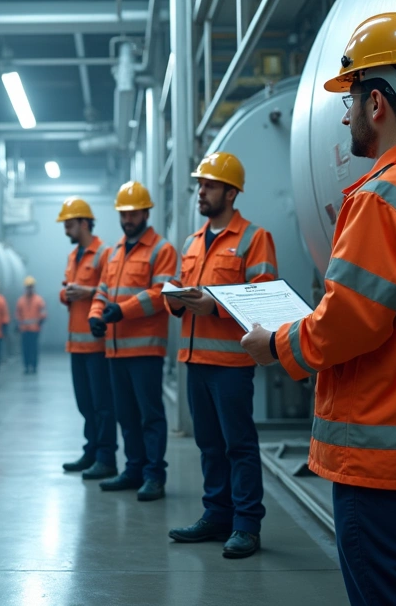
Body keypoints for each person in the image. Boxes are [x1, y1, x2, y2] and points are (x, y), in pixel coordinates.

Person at [240, 12, 396, 606]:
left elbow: (349, 322)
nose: (345, 116)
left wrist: (275, 345)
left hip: (381, 455)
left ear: (376, 103)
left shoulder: (383, 200)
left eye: (350, 100)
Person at [165, 152, 277, 559]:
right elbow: (185, 292)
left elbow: (264, 298)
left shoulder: (254, 238)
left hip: (231, 364)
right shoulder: (192, 242)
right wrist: (175, 299)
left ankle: (246, 525)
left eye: (209, 185)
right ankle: (216, 515)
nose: (201, 192)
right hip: (194, 361)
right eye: (200, 185)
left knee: (238, 445)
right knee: (209, 445)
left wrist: (216, 306)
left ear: (231, 193)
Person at [88, 181, 177, 502]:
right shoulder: (114, 252)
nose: (128, 219)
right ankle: (134, 469)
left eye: (134, 213)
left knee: (149, 415)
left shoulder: (161, 250)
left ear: (146, 213)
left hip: (145, 348)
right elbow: (102, 290)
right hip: (115, 350)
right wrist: (95, 316)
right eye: (123, 214)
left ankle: (154, 475)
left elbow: (161, 293)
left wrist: (122, 311)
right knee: (125, 415)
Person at [57, 198, 118, 480]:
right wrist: (68, 293)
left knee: (102, 405)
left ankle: (106, 458)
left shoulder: (104, 253)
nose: (65, 230)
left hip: (97, 344)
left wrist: (88, 292)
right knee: (85, 404)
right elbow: (65, 290)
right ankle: (91, 451)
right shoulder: (73, 256)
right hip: (76, 344)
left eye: (69, 224)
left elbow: (110, 292)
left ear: (84, 223)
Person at [16, 277, 48, 374]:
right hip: (24, 330)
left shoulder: (39, 300)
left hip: (35, 330)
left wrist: (41, 320)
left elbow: (43, 312)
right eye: (28, 287)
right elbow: (18, 314)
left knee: (34, 349)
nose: (29, 289)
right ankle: (26, 366)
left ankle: (34, 366)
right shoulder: (21, 301)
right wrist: (18, 324)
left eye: (31, 287)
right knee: (25, 349)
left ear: (33, 287)